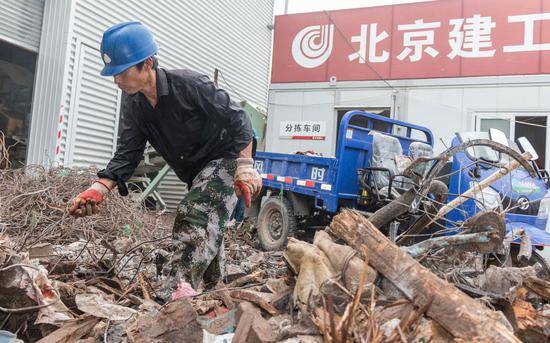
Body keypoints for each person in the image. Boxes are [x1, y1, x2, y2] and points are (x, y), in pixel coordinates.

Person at [67, 22, 262, 293]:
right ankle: (213, 293)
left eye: (121, 72)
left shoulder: (192, 85)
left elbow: (239, 118)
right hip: (195, 173)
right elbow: (128, 152)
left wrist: (244, 166)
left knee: (194, 215)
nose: (117, 80)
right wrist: (97, 190)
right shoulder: (134, 104)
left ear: (147, 64)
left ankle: (174, 299)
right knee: (208, 231)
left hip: (226, 157)